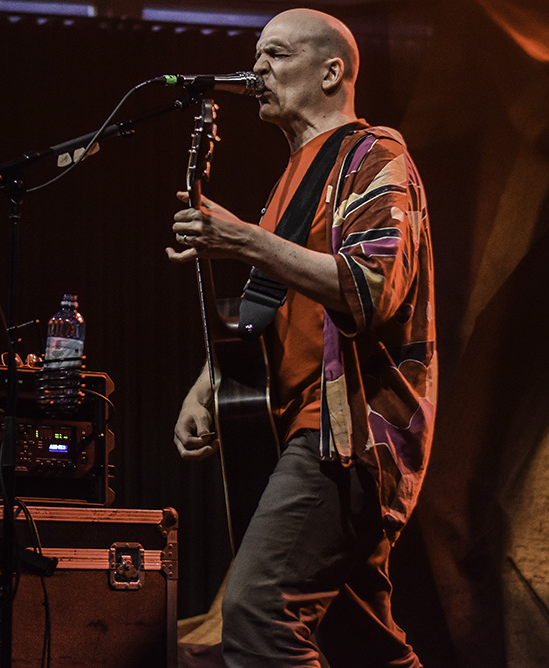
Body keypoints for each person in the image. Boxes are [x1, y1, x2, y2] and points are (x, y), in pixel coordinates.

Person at [168, 8, 436, 667]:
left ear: (332, 72)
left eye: (276, 55)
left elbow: (370, 290)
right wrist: (213, 379)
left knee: (257, 612)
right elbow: (273, 304)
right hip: (301, 434)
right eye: (258, 55)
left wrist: (240, 239)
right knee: (365, 645)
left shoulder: (376, 154)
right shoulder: (294, 180)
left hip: (348, 438)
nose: (257, 69)